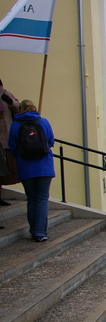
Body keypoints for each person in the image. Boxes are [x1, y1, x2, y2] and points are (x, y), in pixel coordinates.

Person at [8, 100, 55, 241]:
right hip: (44, 167)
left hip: (25, 167)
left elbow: (12, 146)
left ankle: (34, 230)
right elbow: (51, 141)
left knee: (31, 199)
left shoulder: (15, 125)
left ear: (20, 109)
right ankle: (40, 233)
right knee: (41, 199)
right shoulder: (43, 122)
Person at [0, 79, 20, 205]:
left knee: (5, 171)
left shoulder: (6, 94)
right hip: (3, 140)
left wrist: (11, 102)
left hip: (6, 138)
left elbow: (18, 108)